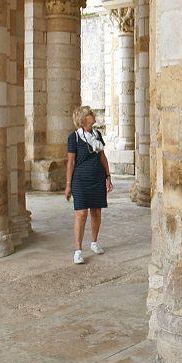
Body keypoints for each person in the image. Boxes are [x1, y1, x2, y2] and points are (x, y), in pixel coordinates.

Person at [64, 105, 113, 264]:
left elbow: (102, 157)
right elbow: (70, 163)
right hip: (80, 180)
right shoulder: (74, 138)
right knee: (81, 213)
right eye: (90, 114)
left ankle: (94, 242)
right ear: (83, 119)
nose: (93, 115)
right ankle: (78, 250)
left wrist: (108, 177)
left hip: (97, 177)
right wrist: (68, 185)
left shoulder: (97, 134)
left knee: (96, 211)